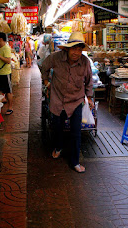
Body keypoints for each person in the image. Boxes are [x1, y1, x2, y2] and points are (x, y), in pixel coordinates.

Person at [41, 32, 94, 173]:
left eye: (79, 49)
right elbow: (43, 66)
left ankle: (75, 161)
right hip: (57, 99)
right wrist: (47, 83)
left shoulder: (85, 62)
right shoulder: (56, 58)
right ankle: (58, 147)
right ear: (67, 48)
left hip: (76, 101)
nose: (76, 52)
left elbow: (89, 81)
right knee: (57, 127)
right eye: (73, 48)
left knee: (76, 132)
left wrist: (89, 97)